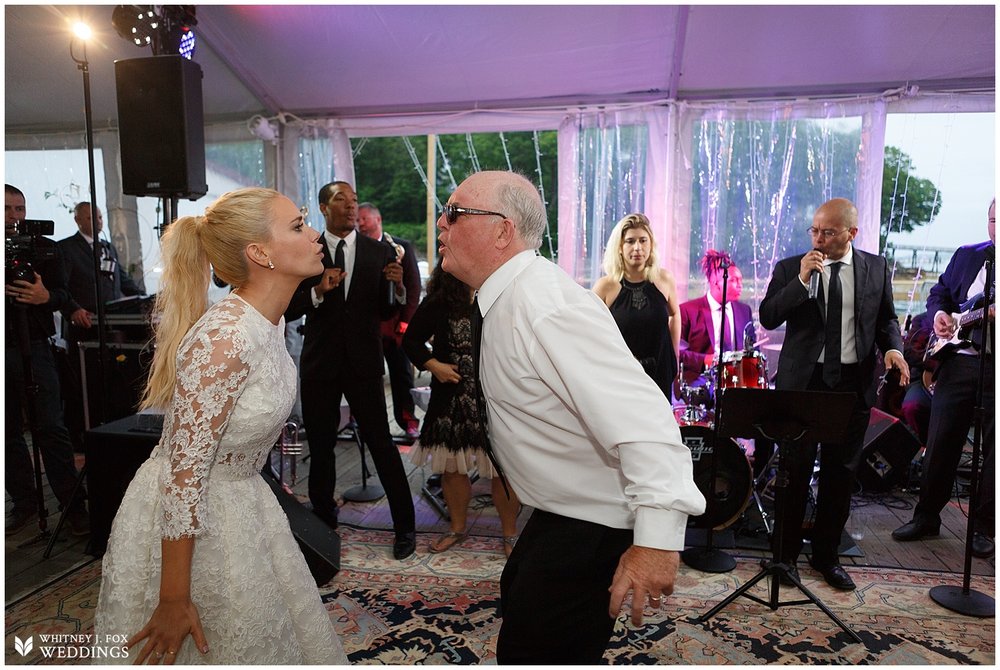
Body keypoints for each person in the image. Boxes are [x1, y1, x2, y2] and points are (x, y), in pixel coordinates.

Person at [436, 170, 705, 664]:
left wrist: (658, 543)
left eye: (455, 213)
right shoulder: (512, 296)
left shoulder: (543, 305)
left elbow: (645, 418)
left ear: (502, 230)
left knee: (534, 651)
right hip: (564, 512)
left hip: (592, 523)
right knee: (519, 600)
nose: (440, 224)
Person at [94, 187, 347, 664]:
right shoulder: (225, 339)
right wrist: (173, 598)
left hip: (244, 499)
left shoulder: (267, 323)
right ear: (259, 253)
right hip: (192, 513)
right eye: (297, 226)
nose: (314, 234)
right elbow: (184, 473)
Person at [759, 197, 908, 591]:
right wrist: (802, 282)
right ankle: (785, 557)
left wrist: (893, 348)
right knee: (795, 470)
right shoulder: (792, 267)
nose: (818, 239)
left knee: (840, 476)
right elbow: (769, 314)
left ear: (851, 233)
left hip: (851, 386)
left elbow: (887, 319)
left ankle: (826, 557)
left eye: (828, 232)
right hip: (803, 384)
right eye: (814, 230)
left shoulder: (875, 268)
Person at [285, 181, 417, 560]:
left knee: (382, 445)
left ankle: (405, 527)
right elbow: (290, 307)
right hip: (320, 364)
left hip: (363, 363)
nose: (350, 205)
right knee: (322, 447)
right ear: (324, 208)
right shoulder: (306, 251)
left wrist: (398, 289)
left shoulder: (381, 252)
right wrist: (318, 292)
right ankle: (323, 523)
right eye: (341, 200)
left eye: (354, 200)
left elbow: (388, 311)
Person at [893, 198, 995, 558]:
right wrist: (938, 314)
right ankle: (926, 517)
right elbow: (940, 294)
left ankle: (984, 529)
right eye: (994, 220)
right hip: (960, 361)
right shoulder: (969, 255)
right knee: (941, 442)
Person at [403, 260, 521, 556]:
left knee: (503, 469)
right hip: (452, 397)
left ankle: (510, 535)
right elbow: (411, 340)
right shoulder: (442, 299)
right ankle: (456, 528)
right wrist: (434, 366)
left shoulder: (507, 292)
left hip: (499, 397)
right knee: (452, 466)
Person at [5, 184, 89, 537]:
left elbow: (63, 295)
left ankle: (73, 507)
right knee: (6, 431)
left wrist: (44, 296)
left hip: (36, 344)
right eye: (7, 209)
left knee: (51, 427)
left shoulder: (43, 249)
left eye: (19, 209)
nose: (15, 216)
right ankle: (25, 503)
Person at [58, 202, 143, 448]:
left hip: (113, 326)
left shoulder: (107, 248)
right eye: (90, 217)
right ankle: (81, 437)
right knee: (83, 386)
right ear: (77, 220)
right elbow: (62, 286)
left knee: (113, 381)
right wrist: (73, 308)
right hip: (85, 327)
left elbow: (122, 281)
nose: (97, 222)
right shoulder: (67, 249)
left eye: (99, 217)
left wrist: (146, 300)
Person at [592, 212, 680, 401]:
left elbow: (675, 315)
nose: (637, 247)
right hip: (620, 379)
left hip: (660, 373)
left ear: (651, 244)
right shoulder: (605, 286)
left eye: (643, 240)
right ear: (620, 247)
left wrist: (675, 359)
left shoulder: (664, 280)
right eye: (630, 241)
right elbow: (590, 333)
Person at [358, 201, 422, 439]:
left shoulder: (400, 248)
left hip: (395, 328)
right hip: (367, 326)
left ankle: (408, 421)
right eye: (357, 219)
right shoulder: (357, 249)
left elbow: (413, 287)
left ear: (377, 219)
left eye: (363, 218)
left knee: (402, 376)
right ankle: (364, 422)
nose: (360, 223)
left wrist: (405, 321)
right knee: (365, 378)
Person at [678, 249, 755, 385]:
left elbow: (752, 349)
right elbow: (676, 352)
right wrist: (705, 360)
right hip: (700, 380)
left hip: (736, 380)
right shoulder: (687, 311)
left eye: (741, 280)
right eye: (734, 280)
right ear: (715, 283)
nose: (740, 285)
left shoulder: (744, 311)